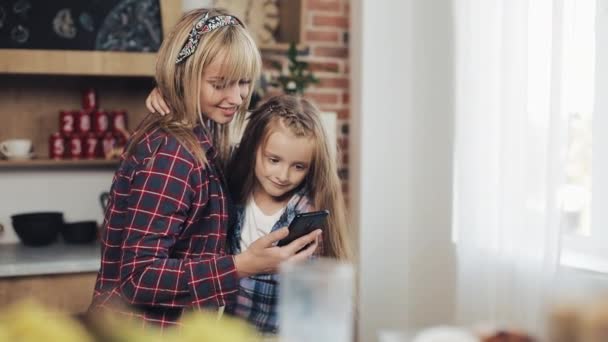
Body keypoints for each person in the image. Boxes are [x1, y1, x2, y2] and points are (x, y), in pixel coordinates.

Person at [89, 8, 321, 328]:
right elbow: (138, 277)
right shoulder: (172, 155)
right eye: (219, 84)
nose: (236, 97)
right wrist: (241, 265)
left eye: (243, 82)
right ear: (184, 76)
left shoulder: (202, 137)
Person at [225, 94, 352, 333]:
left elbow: (311, 299)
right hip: (227, 332)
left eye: (298, 166)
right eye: (274, 160)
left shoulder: (307, 214)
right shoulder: (232, 182)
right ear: (253, 149)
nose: (283, 175)